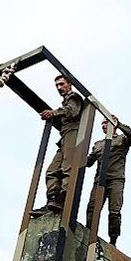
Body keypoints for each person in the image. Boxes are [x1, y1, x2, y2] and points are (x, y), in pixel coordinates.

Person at [32, 75, 85, 217]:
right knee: (51, 171)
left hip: (73, 134)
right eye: (57, 85)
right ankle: (52, 200)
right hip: (64, 137)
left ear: (69, 84)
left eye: (62, 84)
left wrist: (53, 113)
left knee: (67, 168)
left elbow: (72, 111)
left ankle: (63, 200)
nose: (59, 88)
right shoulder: (66, 100)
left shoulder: (73, 97)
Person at [85, 116, 131, 246]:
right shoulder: (98, 145)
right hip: (100, 181)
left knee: (114, 211)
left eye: (105, 123)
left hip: (116, 179)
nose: (103, 126)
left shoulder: (121, 139)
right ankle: (88, 233)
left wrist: (119, 124)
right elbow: (89, 162)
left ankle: (113, 240)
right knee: (92, 208)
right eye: (102, 124)